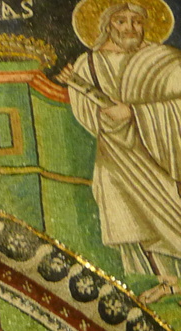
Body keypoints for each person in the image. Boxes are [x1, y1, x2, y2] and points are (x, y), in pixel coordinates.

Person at [59, 0, 181, 303]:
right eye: (121, 21)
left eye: (137, 21)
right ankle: (169, 281)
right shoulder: (88, 64)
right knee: (134, 219)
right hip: (116, 154)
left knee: (172, 213)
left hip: (160, 151)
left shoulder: (166, 60)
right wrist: (104, 115)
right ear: (106, 24)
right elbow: (87, 112)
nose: (130, 28)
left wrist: (136, 113)